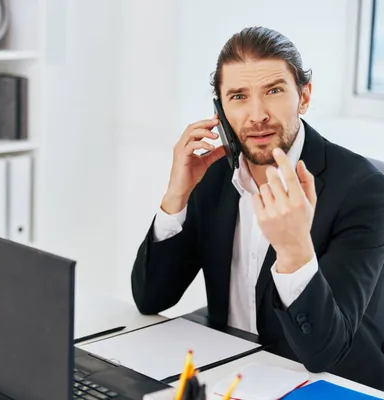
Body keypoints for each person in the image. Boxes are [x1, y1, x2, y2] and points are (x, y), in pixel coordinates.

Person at [130, 26, 384, 390]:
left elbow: (324, 353)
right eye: (238, 96)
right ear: (220, 108)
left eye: (274, 91)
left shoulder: (363, 190)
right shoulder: (214, 176)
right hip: (232, 375)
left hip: (327, 384)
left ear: (304, 96)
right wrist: (176, 196)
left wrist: (294, 250)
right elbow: (150, 298)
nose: (257, 114)